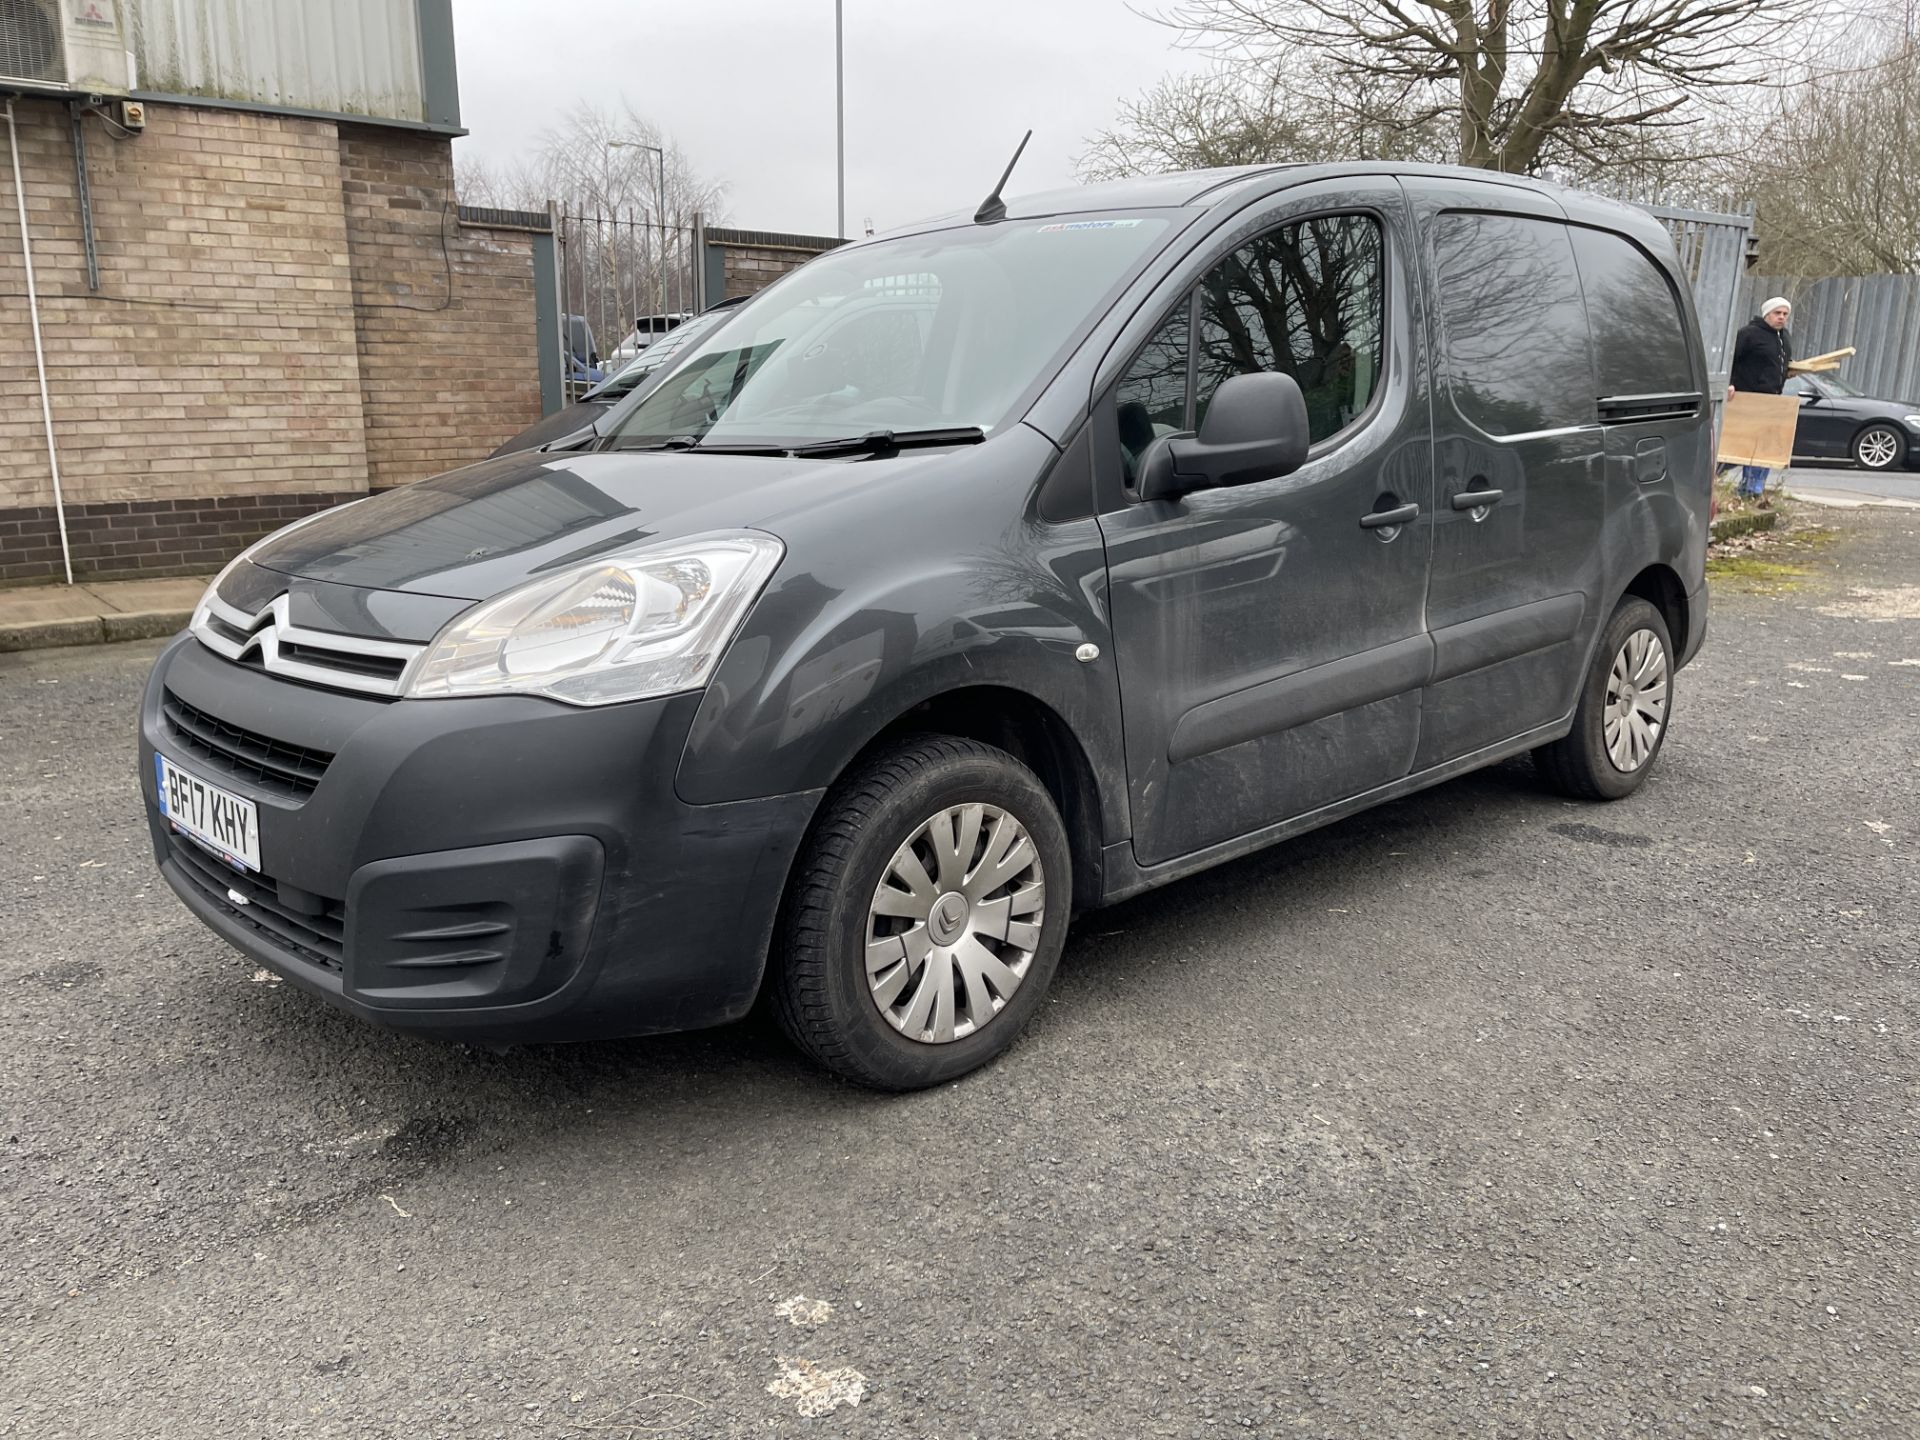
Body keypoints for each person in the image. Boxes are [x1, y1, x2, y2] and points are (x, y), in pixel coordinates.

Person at [1727, 297, 1794, 507]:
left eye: (1785, 314)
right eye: (1777, 313)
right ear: (1767, 314)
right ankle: (1711, 483)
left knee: (1764, 449)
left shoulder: (1783, 337)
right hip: (1747, 398)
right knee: (1735, 446)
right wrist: (1728, 384)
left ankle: (1752, 489)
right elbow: (1730, 359)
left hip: (1772, 400)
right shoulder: (1749, 334)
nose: (1781, 317)